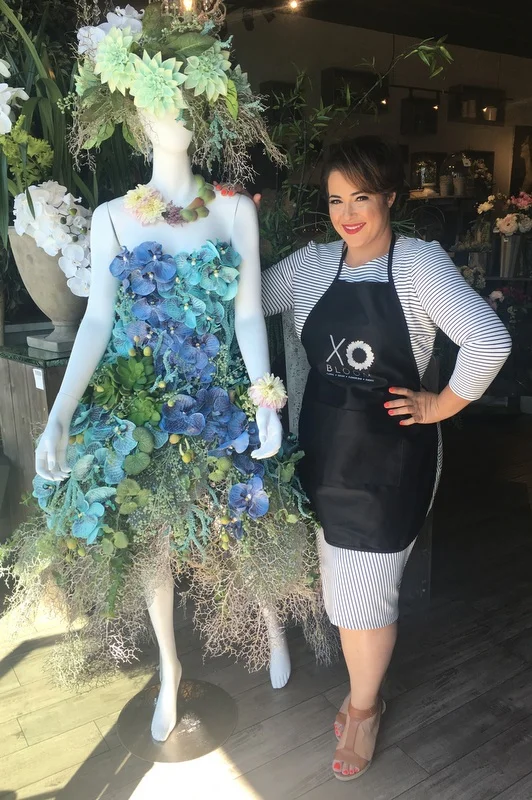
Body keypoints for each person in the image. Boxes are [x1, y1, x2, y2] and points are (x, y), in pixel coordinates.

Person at [4, 1, 328, 744]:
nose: (167, 116)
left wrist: (263, 397)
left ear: (202, 110)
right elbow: (96, 321)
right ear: (134, 115)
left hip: (218, 391)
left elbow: (250, 316)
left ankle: (274, 626)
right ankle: (171, 667)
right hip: (140, 402)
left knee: (248, 518)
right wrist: (59, 414)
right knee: (150, 540)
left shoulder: (234, 210)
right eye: (153, 104)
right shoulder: (115, 215)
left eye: (179, 102)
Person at [260, 135, 512, 780]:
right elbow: (246, 305)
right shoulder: (310, 268)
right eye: (337, 199)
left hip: (390, 461)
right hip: (321, 451)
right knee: (341, 585)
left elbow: (488, 341)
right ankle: (361, 691)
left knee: (365, 596)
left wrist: (438, 406)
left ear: (390, 197)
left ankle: (365, 707)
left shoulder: (417, 265)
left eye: (362, 197)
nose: (349, 213)